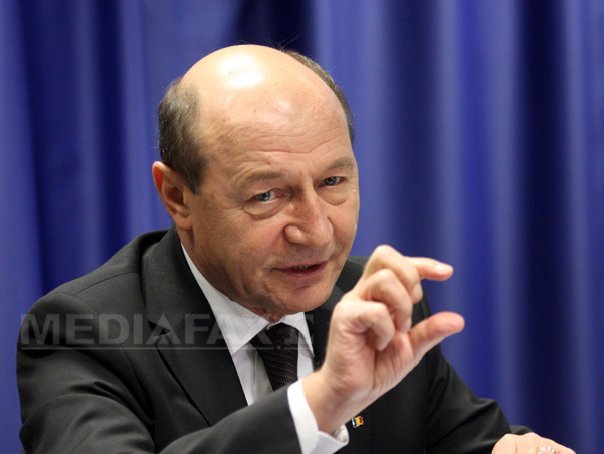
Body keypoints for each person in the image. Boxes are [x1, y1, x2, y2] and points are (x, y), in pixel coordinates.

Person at [17, 44, 573, 454]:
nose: (316, 231)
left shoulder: (370, 303)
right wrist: (322, 402)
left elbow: (471, 441)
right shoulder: (82, 333)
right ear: (177, 196)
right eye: (266, 195)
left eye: (333, 182)